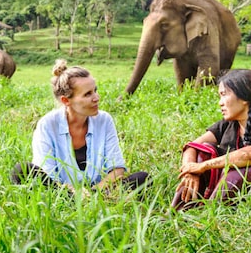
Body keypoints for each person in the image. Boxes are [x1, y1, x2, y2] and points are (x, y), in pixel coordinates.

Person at [11, 59, 150, 196]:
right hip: (61, 191)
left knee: (143, 179)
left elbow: (117, 169)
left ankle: (95, 201)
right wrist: (73, 193)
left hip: (98, 191)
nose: (96, 97)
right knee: (22, 170)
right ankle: (72, 202)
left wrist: (94, 191)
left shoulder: (104, 120)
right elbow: (47, 174)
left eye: (95, 91)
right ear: (66, 100)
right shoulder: (47, 124)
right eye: (87, 94)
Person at [172, 69, 251, 210]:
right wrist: (191, 171)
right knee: (204, 151)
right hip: (240, 197)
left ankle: (211, 215)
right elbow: (191, 146)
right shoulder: (227, 124)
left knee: (242, 167)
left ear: (244, 97)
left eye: (224, 95)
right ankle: (178, 211)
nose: (220, 103)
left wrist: (204, 166)